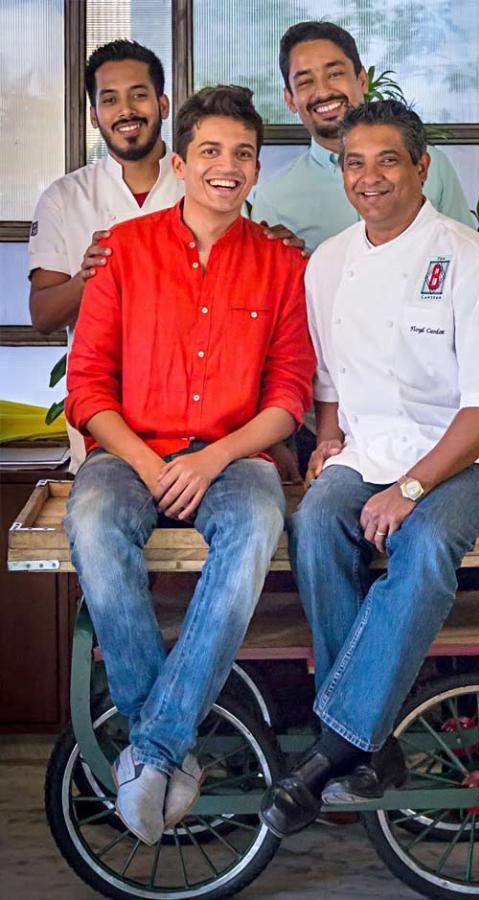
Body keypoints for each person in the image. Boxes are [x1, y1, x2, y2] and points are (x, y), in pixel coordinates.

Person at [260, 99, 479, 838]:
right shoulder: (330, 263)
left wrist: (412, 489)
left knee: (423, 541)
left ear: (420, 167)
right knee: (315, 520)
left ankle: (337, 746)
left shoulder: (469, 260)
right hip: (370, 447)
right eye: (355, 163)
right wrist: (327, 442)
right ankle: (371, 749)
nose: (370, 177)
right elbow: (330, 383)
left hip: (472, 457)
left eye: (388, 160)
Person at [63, 85, 316, 846]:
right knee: (94, 517)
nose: (226, 166)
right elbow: (87, 387)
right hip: (129, 452)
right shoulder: (125, 252)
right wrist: (144, 461)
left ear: (257, 169)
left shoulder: (280, 265)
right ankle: (164, 744)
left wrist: (213, 458)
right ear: (180, 162)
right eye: (210, 150)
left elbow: (291, 395)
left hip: (234, 456)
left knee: (257, 524)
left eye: (243, 153)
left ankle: (153, 747)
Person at [28, 40, 184, 472]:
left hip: (196, 431)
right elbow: (42, 315)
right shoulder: (64, 198)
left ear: (163, 104)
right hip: (104, 432)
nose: (126, 110)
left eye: (139, 94)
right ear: (94, 115)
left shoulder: (201, 184)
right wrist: (86, 276)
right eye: (109, 99)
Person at [251, 19, 474, 254]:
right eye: (305, 81)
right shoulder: (273, 197)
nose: (324, 91)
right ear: (290, 99)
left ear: (361, 80)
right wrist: (291, 264)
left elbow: (467, 253)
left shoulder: (428, 163)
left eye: (335, 73)